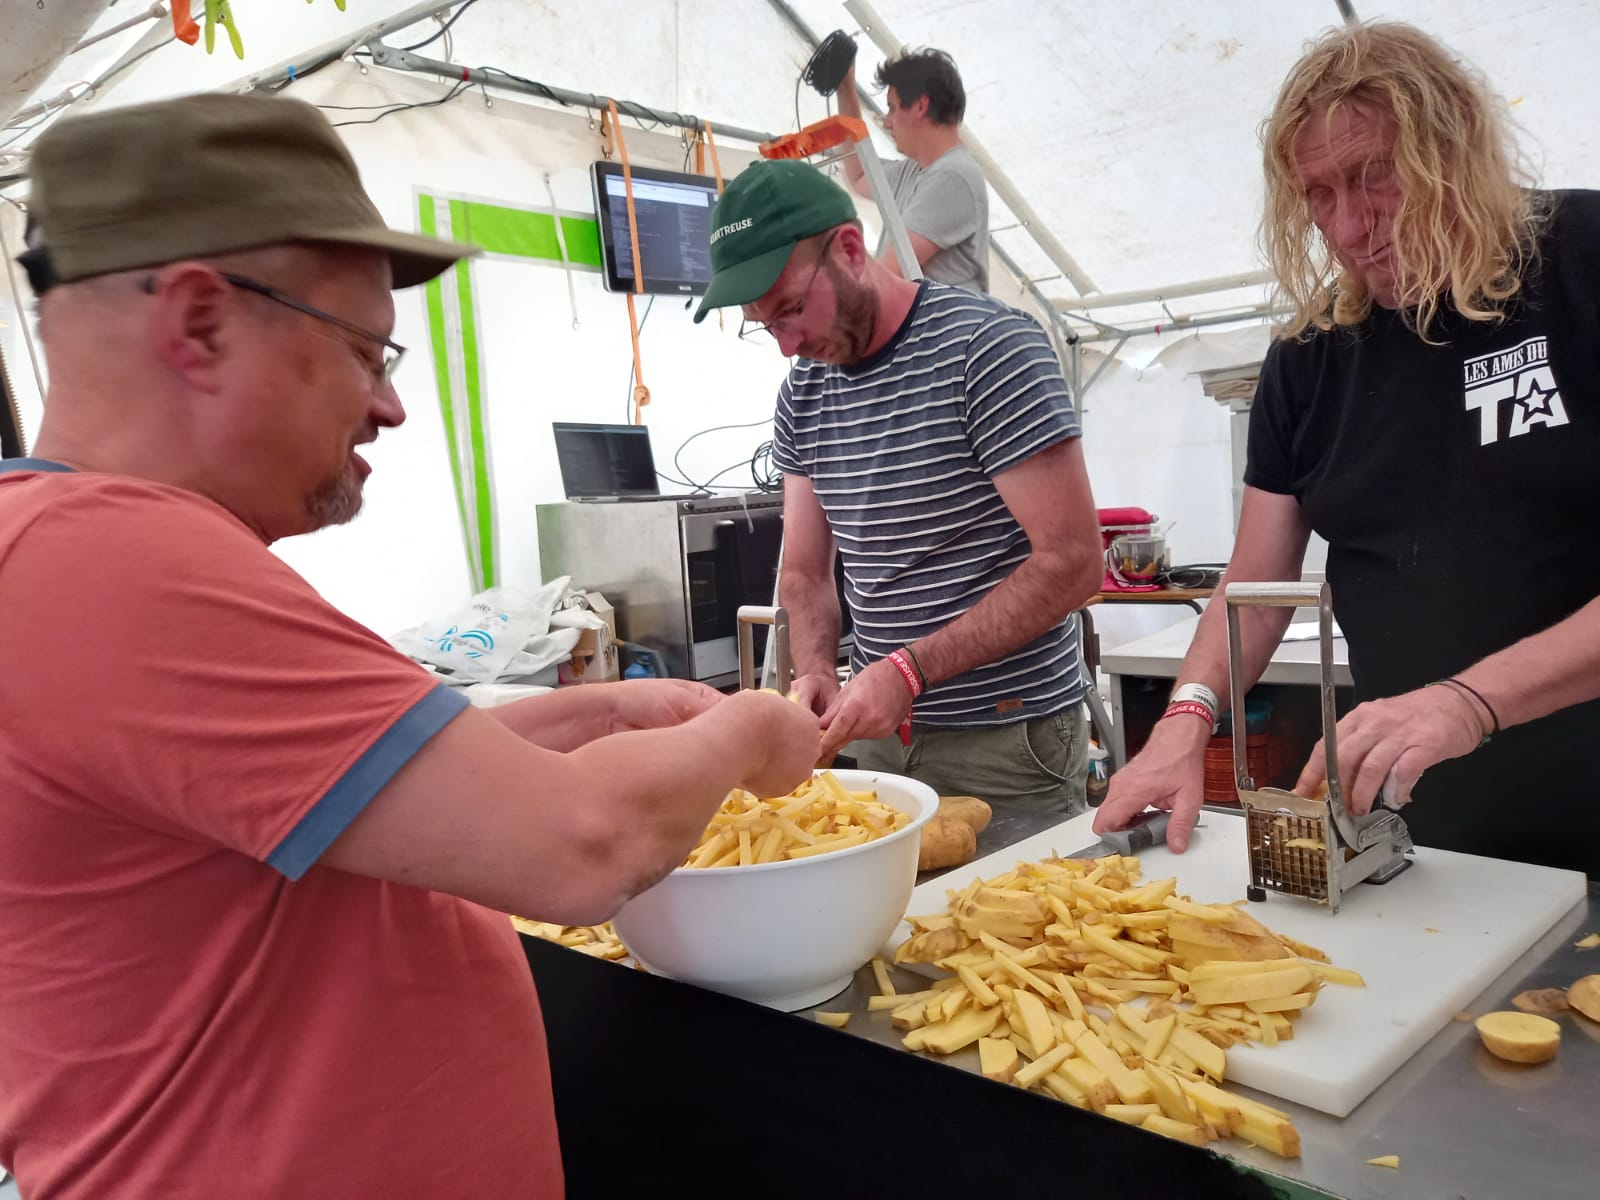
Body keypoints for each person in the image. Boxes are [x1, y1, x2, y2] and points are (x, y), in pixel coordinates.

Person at [0, 93, 822, 1199]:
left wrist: (604, 711)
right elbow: (581, 848)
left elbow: (318, 806)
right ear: (197, 323)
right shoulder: (110, 563)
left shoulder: (56, 554)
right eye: (367, 352)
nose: (388, 407)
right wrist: (749, 725)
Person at [1094, 21, 1600, 879]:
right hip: (1430, 846)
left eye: (1375, 178)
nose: (1351, 226)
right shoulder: (1311, 359)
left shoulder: (1582, 260)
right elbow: (1253, 591)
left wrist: (1469, 701)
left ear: (1454, 149)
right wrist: (1184, 720)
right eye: (1319, 195)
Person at [694, 159, 1101, 818]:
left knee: (1015, 919)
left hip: (1006, 741)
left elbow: (1076, 563)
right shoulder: (803, 395)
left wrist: (910, 671)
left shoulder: (988, 350)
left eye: (793, 309)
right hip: (879, 741)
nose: (787, 344)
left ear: (851, 250)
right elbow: (804, 570)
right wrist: (818, 670)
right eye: (765, 324)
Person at [835, 47, 990, 292]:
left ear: (920, 106)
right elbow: (860, 174)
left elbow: (888, 274)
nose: (886, 122)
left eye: (892, 108)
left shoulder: (953, 177)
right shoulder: (916, 171)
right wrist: (845, 89)